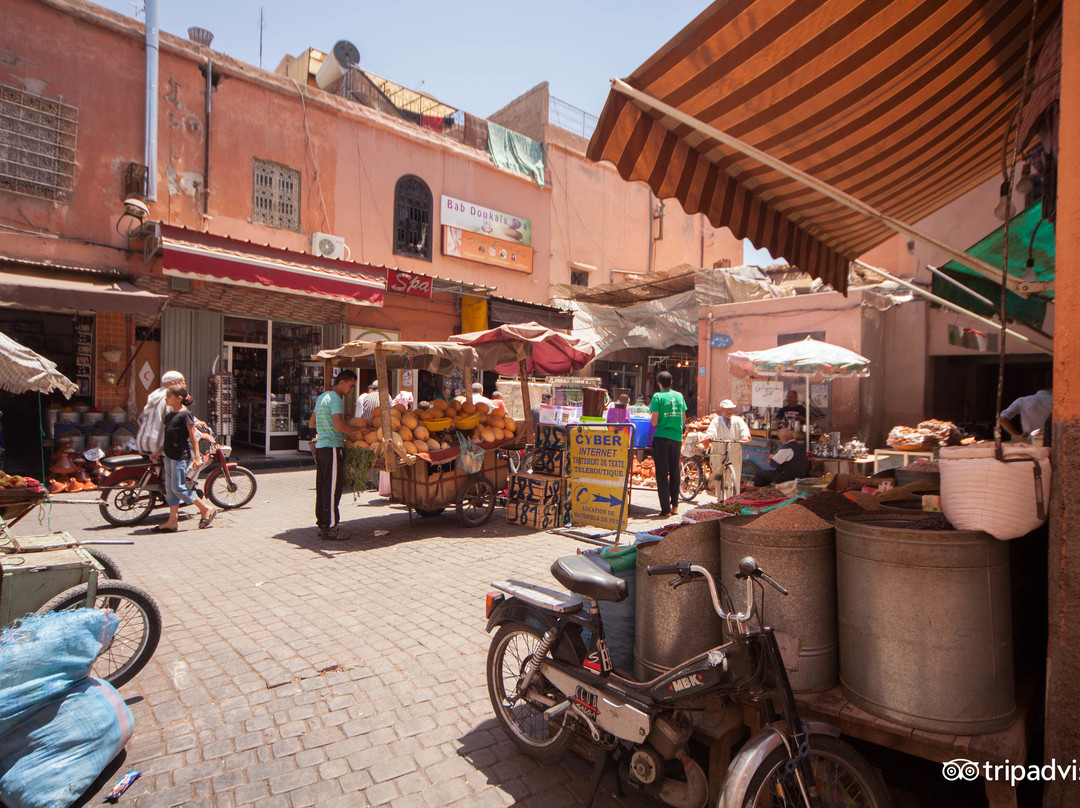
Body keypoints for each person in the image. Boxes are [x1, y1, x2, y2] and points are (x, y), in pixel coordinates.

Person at [149, 384, 217, 532]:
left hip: (180, 456)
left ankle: (205, 509)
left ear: (178, 398)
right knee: (170, 490)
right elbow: (168, 438)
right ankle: (172, 522)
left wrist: (197, 457)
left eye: (169, 396)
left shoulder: (186, 414)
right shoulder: (169, 416)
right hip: (168, 456)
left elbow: (193, 437)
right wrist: (158, 451)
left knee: (178, 487)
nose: (166, 399)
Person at [315, 369, 358, 540]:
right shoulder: (336, 399)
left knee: (323, 487)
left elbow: (312, 422)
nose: (351, 390)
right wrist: (359, 429)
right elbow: (339, 426)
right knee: (332, 489)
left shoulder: (322, 397)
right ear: (342, 382)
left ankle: (322, 524)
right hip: (332, 447)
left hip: (321, 447)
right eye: (351, 386)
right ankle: (330, 527)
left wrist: (331, 421)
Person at [649, 371, 687, 518]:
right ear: (671, 382)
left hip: (661, 437)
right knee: (675, 471)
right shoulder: (679, 396)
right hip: (676, 438)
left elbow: (653, 422)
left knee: (662, 473)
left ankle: (665, 510)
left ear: (659, 383)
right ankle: (675, 507)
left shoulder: (657, 397)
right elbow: (684, 418)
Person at [702, 399, 751, 499]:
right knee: (719, 475)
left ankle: (734, 498)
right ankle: (720, 498)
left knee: (735, 475)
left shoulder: (738, 420)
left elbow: (744, 430)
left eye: (731, 409)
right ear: (721, 410)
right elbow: (711, 431)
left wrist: (745, 437)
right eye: (726, 409)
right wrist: (710, 436)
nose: (729, 411)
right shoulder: (716, 421)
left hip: (734, 451)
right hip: (719, 451)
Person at [135, 370, 185, 454]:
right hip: (158, 446)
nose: (184, 386)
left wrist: (197, 422)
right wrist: (200, 435)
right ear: (173, 383)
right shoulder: (171, 399)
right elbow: (181, 421)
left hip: (142, 443)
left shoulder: (154, 396)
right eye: (182, 383)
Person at [998, 375, 1053, 440]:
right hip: (1053, 441)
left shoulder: (1022, 401)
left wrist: (1016, 435)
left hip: (1030, 441)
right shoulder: (1058, 402)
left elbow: (1002, 419)